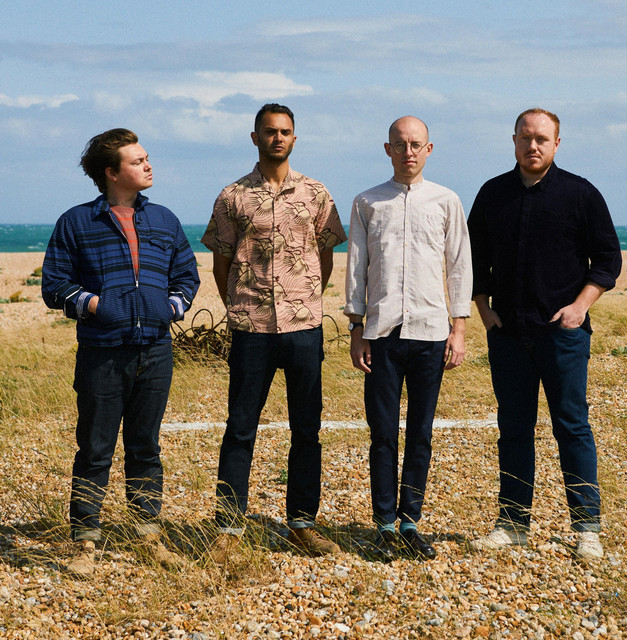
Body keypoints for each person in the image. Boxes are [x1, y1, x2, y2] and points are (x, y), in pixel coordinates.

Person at [42, 128, 200, 577]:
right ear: (112, 173)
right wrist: (96, 305)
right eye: (138, 161)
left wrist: (171, 306)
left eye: (147, 158)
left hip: (155, 351)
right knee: (94, 448)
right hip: (102, 353)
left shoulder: (165, 220)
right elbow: (54, 285)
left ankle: (147, 534)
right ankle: (85, 543)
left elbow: (187, 276)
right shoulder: (76, 222)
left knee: (145, 446)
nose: (148, 166)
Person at [467, 108, 622, 562]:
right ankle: (513, 525)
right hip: (508, 334)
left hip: (563, 334)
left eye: (542, 139)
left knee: (572, 427)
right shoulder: (493, 194)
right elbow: (473, 257)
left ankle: (586, 527)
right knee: (514, 428)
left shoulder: (581, 194)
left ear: (557, 143)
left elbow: (608, 258)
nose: (533, 146)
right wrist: (483, 308)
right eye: (525, 138)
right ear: (513, 140)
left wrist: (579, 307)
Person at [201, 103, 347, 558]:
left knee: (307, 428)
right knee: (240, 427)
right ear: (255, 137)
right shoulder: (232, 196)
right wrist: (242, 306)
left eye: (285, 132)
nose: (277, 138)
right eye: (269, 132)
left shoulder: (317, 193)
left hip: (304, 326)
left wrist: (306, 297)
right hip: (250, 326)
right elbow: (221, 260)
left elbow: (325, 253)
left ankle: (302, 523)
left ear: (295, 139)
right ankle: (228, 529)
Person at [344, 116, 472, 560]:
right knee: (382, 433)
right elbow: (355, 269)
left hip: (431, 333)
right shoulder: (367, 202)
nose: (408, 152)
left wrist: (459, 329)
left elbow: (459, 266)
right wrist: (356, 329)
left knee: (420, 432)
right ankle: (383, 524)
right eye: (400, 145)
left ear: (429, 149)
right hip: (380, 334)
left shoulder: (446, 201)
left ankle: (410, 521)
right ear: (387, 149)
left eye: (416, 144)